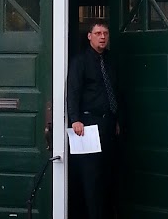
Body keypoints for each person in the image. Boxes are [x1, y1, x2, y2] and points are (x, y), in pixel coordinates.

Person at [67, 21, 119, 219]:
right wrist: (75, 119)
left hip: (108, 124)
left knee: (107, 173)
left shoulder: (110, 61)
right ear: (89, 36)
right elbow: (73, 91)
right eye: (98, 33)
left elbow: (113, 92)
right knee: (91, 177)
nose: (102, 37)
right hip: (87, 125)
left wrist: (116, 120)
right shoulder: (80, 61)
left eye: (105, 33)